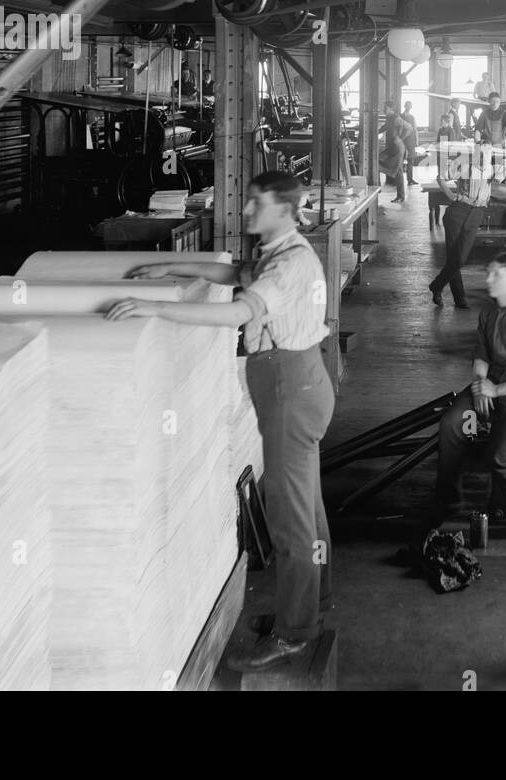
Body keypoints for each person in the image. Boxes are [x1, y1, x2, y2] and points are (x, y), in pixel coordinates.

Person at [106, 171, 333, 672]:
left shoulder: (290, 264)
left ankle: (295, 631)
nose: (247, 212)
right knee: (305, 505)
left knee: (289, 518)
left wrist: (154, 310)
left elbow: (238, 313)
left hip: (290, 389)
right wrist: (165, 267)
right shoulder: (280, 251)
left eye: (257, 204)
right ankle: (314, 602)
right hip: (297, 383)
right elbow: (232, 276)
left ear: (285, 210)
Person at [432, 252, 506, 551]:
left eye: (495, 275)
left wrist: (495, 392)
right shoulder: (488, 312)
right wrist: (478, 388)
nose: (488, 280)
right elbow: (481, 355)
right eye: (489, 273)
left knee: (498, 456)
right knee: (452, 423)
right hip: (490, 384)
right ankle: (449, 499)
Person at [430, 141, 492, 309]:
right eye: (480, 153)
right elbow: (440, 177)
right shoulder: (465, 165)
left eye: (487, 154)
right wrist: (451, 195)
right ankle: (459, 299)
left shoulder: (493, 169)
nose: (483, 157)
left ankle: (437, 285)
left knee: (460, 258)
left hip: (477, 214)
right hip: (458, 212)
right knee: (454, 257)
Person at [474, 91, 506, 180]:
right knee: (483, 170)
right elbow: (478, 130)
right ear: (489, 102)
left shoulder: (505, 114)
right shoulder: (484, 114)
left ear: (500, 103)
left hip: (499, 147)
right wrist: (477, 140)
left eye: (497, 102)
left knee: (499, 171)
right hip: (486, 147)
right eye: (493, 101)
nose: (495, 104)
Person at [381, 100, 408, 203]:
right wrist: (376, 131)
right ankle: (400, 196)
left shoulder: (396, 118)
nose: (384, 109)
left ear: (391, 109)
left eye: (385, 108)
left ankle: (401, 196)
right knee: (397, 171)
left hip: (397, 148)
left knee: (397, 171)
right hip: (393, 147)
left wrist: (400, 138)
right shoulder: (390, 118)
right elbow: (385, 127)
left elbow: (409, 128)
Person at [400, 100, 419, 185]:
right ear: (405, 106)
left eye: (409, 106)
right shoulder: (400, 116)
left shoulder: (412, 117)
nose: (408, 107)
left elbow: (415, 129)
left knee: (410, 160)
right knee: (400, 160)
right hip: (403, 140)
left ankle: (410, 179)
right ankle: (400, 179)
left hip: (410, 140)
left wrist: (417, 140)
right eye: (407, 105)